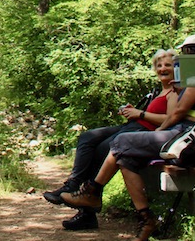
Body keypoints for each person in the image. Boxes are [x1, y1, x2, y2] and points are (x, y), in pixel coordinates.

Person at [62, 34, 195, 241]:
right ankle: (146, 220)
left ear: (193, 52)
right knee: (126, 158)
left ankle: (92, 192)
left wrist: (161, 131)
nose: (183, 56)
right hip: (184, 133)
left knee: (121, 141)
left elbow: (180, 111)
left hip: (188, 137)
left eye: (185, 52)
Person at [44, 48, 177, 231]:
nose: (163, 68)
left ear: (176, 68)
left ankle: (87, 213)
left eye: (168, 65)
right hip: (133, 126)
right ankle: (73, 185)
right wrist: (133, 112)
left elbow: (171, 119)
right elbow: (149, 114)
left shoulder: (174, 91)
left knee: (102, 150)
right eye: (159, 65)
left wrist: (141, 113)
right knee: (87, 138)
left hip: (143, 133)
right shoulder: (158, 92)